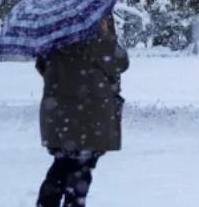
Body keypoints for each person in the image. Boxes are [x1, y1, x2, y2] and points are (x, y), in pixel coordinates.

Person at [35, 16, 129, 207]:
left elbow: (42, 66)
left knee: (62, 165)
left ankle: (48, 203)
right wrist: (107, 34)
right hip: (90, 117)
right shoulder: (100, 40)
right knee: (80, 169)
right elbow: (121, 63)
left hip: (59, 115)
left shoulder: (54, 37)